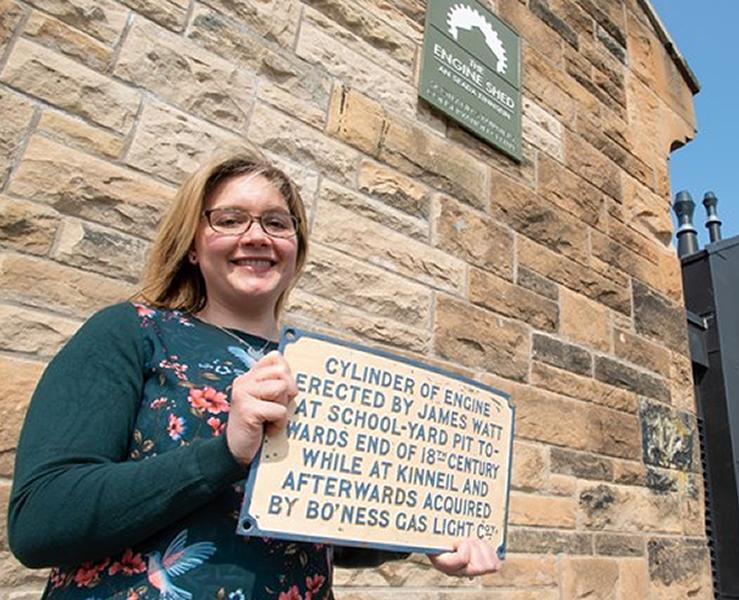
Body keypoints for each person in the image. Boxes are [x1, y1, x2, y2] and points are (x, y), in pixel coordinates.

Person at [8, 146, 501, 599]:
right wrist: (225, 452)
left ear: (296, 251)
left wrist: (423, 535)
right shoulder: (132, 331)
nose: (257, 236)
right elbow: (41, 521)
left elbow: (318, 529)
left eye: (277, 223)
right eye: (230, 219)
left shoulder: (315, 366)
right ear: (193, 246)